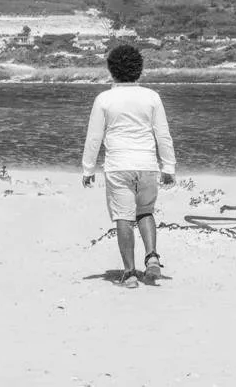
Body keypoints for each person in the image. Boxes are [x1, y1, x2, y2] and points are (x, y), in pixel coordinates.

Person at [81, 44, 177, 289]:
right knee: (145, 212)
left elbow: (94, 137)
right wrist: (169, 167)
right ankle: (152, 256)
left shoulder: (104, 99)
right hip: (147, 163)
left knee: (123, 218)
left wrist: (88, 169)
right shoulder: (151, 97)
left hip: (118, 165)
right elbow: (163, 135)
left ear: (112, 70)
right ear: (139, 70)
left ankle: (130, 273)